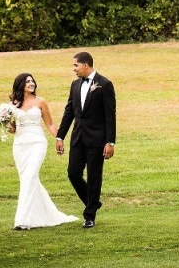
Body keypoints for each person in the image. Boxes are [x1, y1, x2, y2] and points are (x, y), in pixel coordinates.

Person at [9, 72, 78, 230]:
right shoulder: (13, 104)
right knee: (29, 179)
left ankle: (22, 220)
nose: (31, 83)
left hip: (37, 143)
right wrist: (4, 122)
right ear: (20, 85)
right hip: (20, 145)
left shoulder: (40, 101)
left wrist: (58, 139)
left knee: (30, 175)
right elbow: (13, 129)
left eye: (32, 81)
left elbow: (50, 124)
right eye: (27, 81)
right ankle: (46, 214)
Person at [55, 52, 116, 228]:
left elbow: (110, 116)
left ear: (86, 65)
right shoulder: (74, 85)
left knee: (94, 176)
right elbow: (69, 113)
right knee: (73, 173)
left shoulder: (104, 84)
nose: (74, 69)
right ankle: (93, 202)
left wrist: (110, 142)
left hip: (97, 140)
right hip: (78, 138)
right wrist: (60, 136)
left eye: (76, 65)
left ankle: (90, 215)